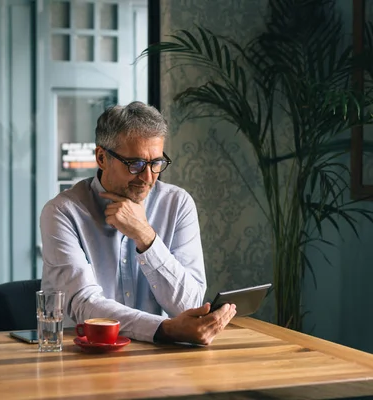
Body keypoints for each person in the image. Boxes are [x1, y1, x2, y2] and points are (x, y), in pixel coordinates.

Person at [40, 101, 236, 345]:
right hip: (85, 360)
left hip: (162, 363)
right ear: (102, 157)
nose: (148, 177)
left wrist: (145, 236)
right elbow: (84, 305)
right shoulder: (62, 212)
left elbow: (191, 305)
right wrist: (165, 329)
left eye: (156, 163)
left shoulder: (178, 204)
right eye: (135, 164)